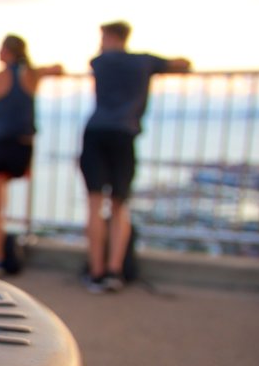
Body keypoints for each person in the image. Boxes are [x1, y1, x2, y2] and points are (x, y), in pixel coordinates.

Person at [80, 21, 190, 293]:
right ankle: (115, 272)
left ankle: (95, 273)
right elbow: (183, 64)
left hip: (95, 132)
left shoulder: (99, 62)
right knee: (120, 205)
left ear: (109, 36)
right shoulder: (144, 61)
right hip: (124, 133)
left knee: (95, 204)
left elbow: (96, 60)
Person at [0, 34, 63, 275]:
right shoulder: (33, 75)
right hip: (22, 146)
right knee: (5, 201)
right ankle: (10, 249)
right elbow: (57, 68)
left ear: (6, 52)